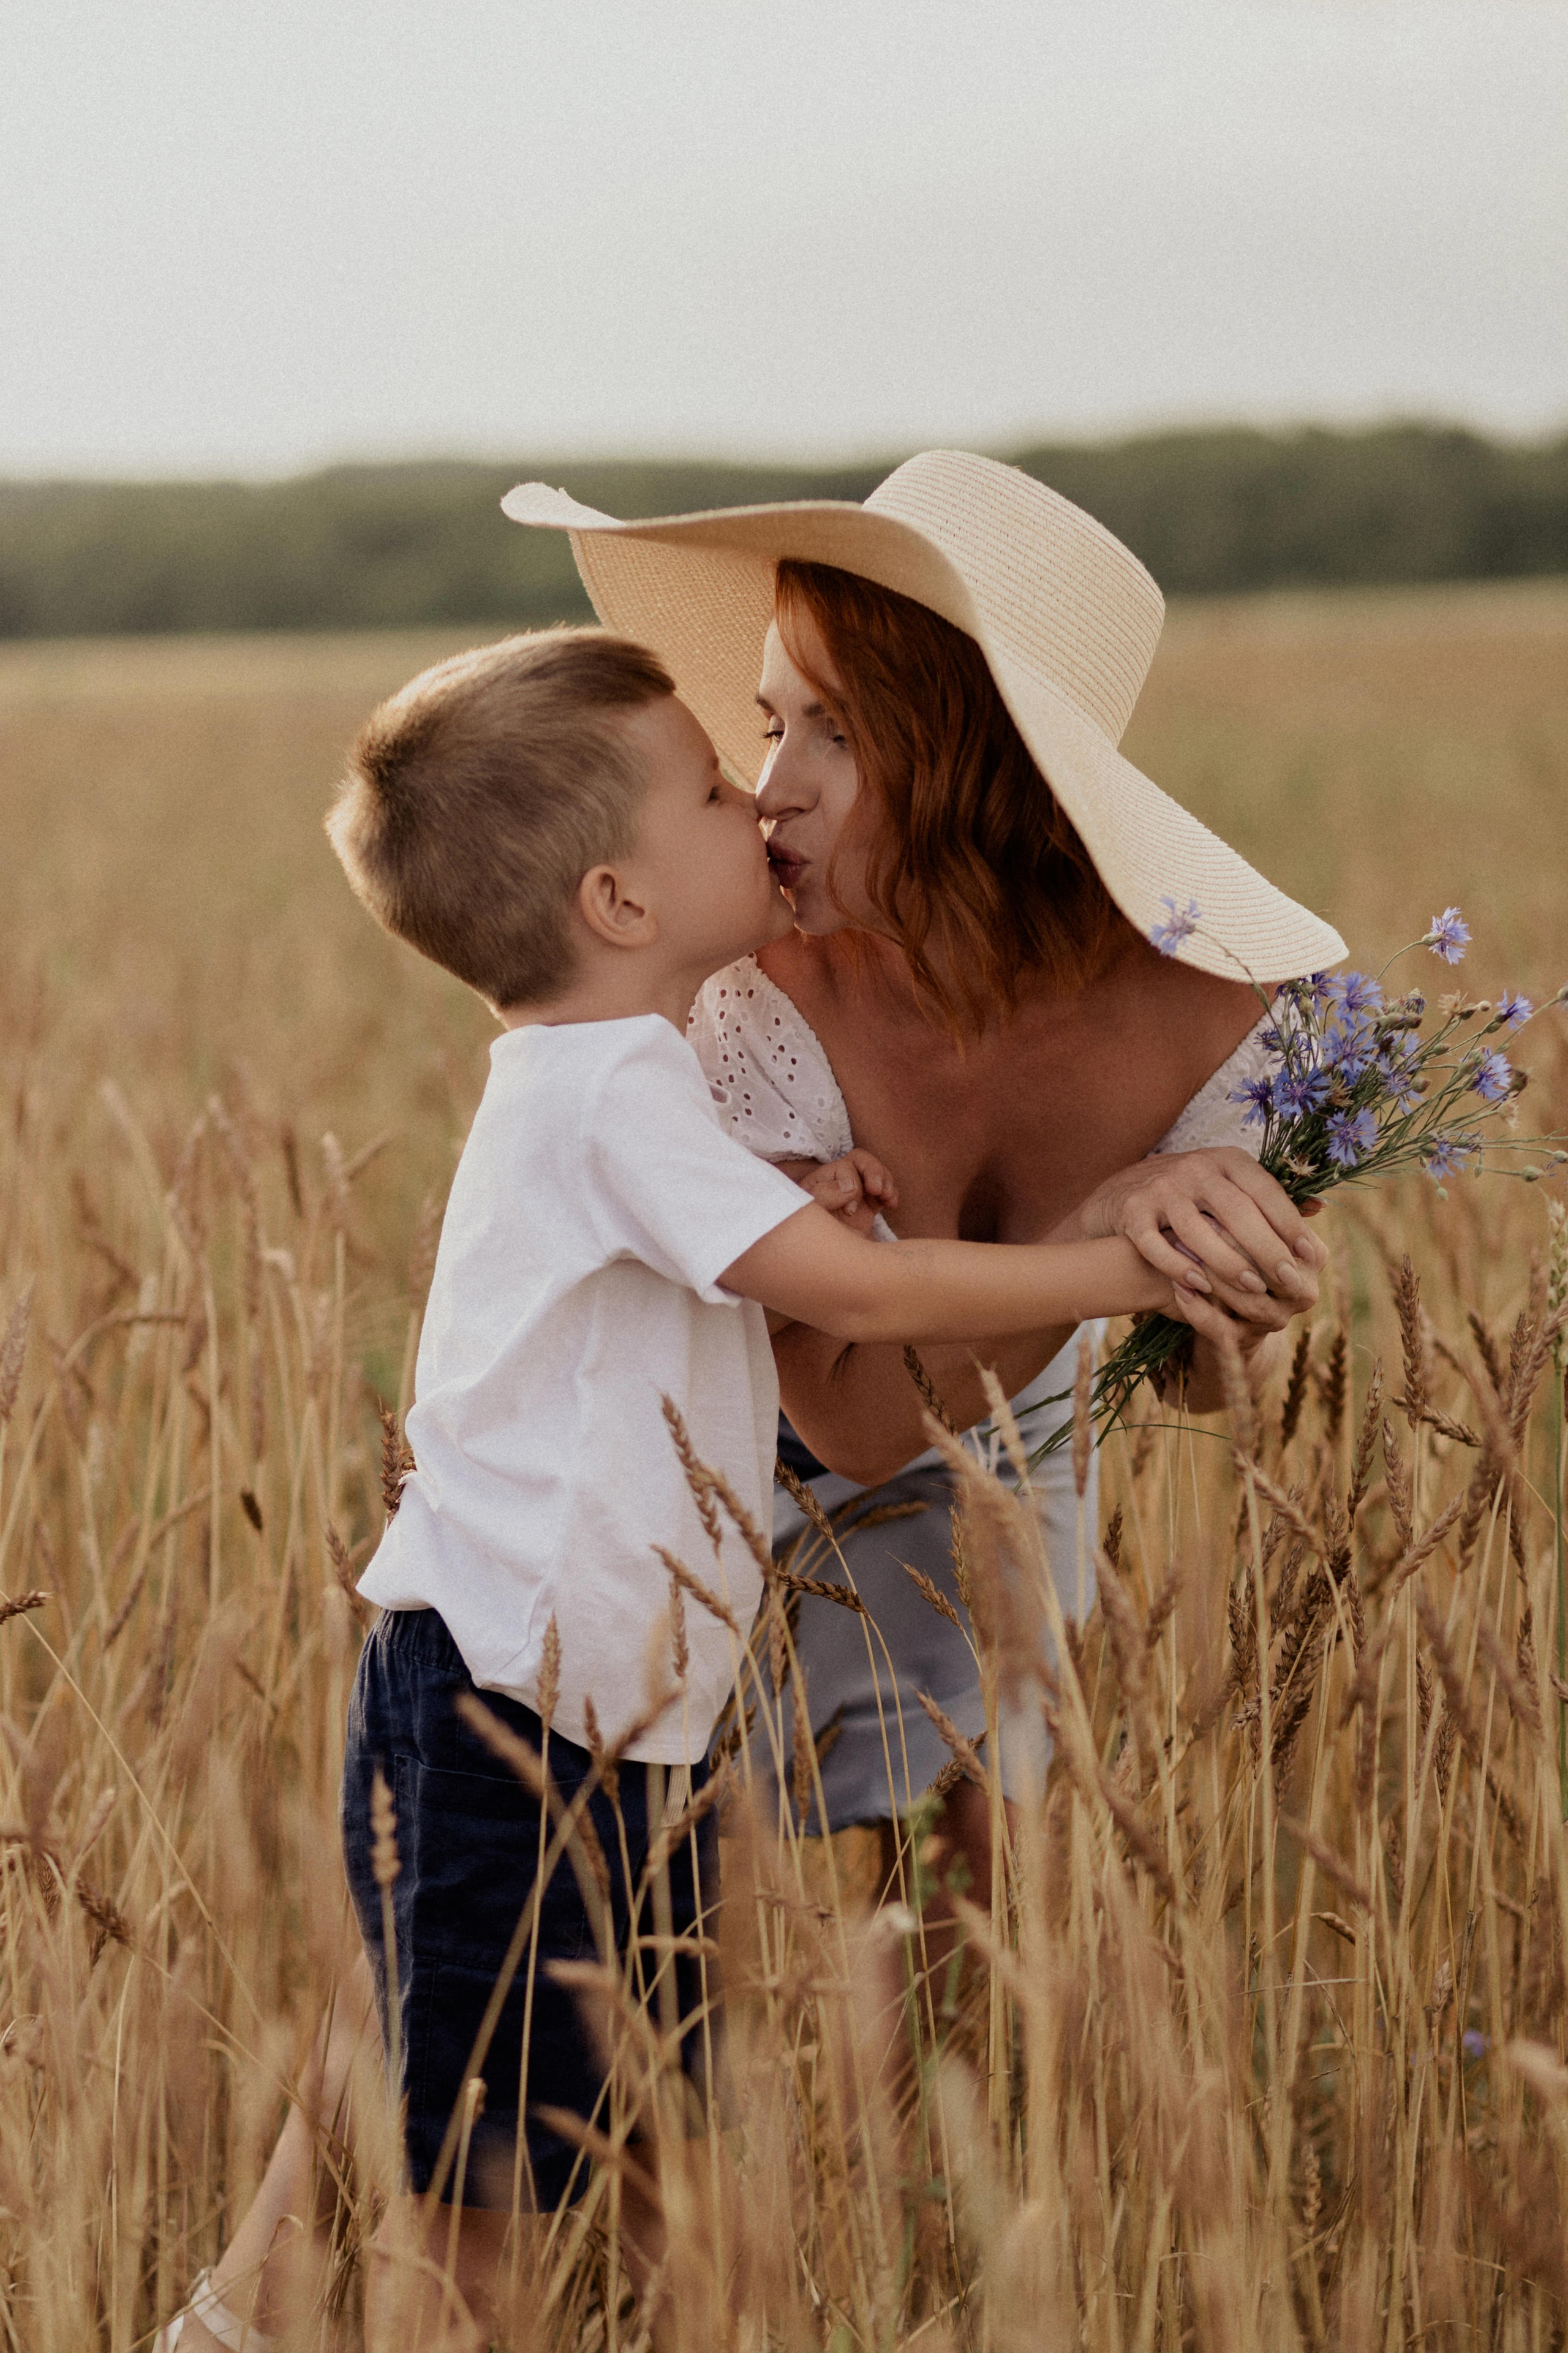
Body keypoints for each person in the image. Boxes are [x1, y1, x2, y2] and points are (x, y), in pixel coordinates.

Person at [158, 624, 1278, 2350]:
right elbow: (868, 1309)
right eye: (716, 776)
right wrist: (1132, 1262)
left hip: (613, 1724)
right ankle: (241, 2329)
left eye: (809, 737)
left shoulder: (628, 1075)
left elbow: (747, 1276)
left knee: (634, 2161)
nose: (758, 793)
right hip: (514, 1715)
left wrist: (801, 1213)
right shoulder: (623, 1083)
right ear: (617, 901)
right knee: (475, 2211)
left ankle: (240, 2330)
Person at [502, 449, 1341, 1900]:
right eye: (769, 724)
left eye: (831, 733)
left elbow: (1210, 1386)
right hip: (723, 1481)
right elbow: (851, 1422)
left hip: (1022, 1462)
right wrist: (1102, 1233)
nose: (768, 792)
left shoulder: (1225, 1018)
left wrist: (1235, 1293)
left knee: (982, 1881)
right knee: (668, 1905)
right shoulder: (750, 996)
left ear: (983, 754)